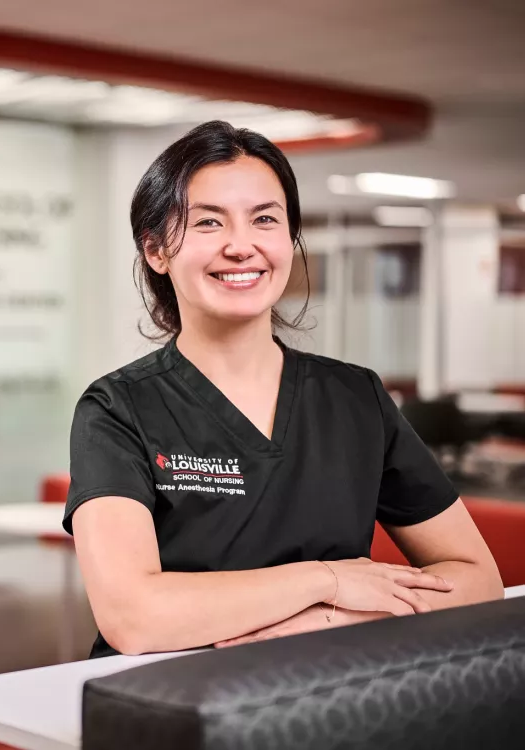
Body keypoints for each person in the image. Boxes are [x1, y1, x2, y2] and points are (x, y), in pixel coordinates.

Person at [64, 121, 504, 658]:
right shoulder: (117, 409)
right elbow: (133, 618)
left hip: (324, 699)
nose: (241, 246)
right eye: (207, 222)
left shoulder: (355, 398)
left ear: (289, 241)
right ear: (156, 250)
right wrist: (325, 581)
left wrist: (326, 620)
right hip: (166, 706)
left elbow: (478, 581)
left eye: (265, 220)